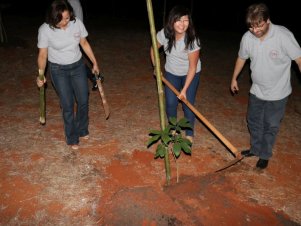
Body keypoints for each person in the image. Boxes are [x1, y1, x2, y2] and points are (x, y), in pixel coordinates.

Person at [230, 3, 301, 169]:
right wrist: (234, 78)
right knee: (253, 120)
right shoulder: (247, 37)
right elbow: (241, 58)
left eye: (259, 26)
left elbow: (298, 58)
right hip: (257, 90)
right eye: (251, 27)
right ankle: (255, 149)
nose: (255, 30)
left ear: (268, 20)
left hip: (278, 92)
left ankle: (264, 154)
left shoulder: (283, 35)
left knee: (271, 125)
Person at [36, 0, 100, 150]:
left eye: (67, 18)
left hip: (77, 66)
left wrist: (94, 62)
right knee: (67, 104)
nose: (65, 22)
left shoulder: (76, 23)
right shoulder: (45, 30)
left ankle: (82, 129)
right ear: (53, 18)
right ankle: (72, 137)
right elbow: (42, 54)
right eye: (61, 19)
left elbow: (84, 43)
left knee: (83, 99)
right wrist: (40, 74)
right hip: (58, 70)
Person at [150, 5, 201, 143]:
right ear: (172, 21)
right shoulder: (164, 34)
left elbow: (192, 67)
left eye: (185, 20)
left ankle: (189, 134)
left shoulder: (192, 39)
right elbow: (153, 48)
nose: (182, 24)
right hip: (171, 72)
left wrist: (184, 90)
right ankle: (173, 128)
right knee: (171, 103)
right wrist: (156, 66)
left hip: (190, 73)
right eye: (178, 20)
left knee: (187, 104)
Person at [67, 0, 98, 91]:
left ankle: (93, 77)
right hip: (68, 35)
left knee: (75, 60)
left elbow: (78, 21)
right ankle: (93, 77)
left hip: (73, 36)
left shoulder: (73, 2)